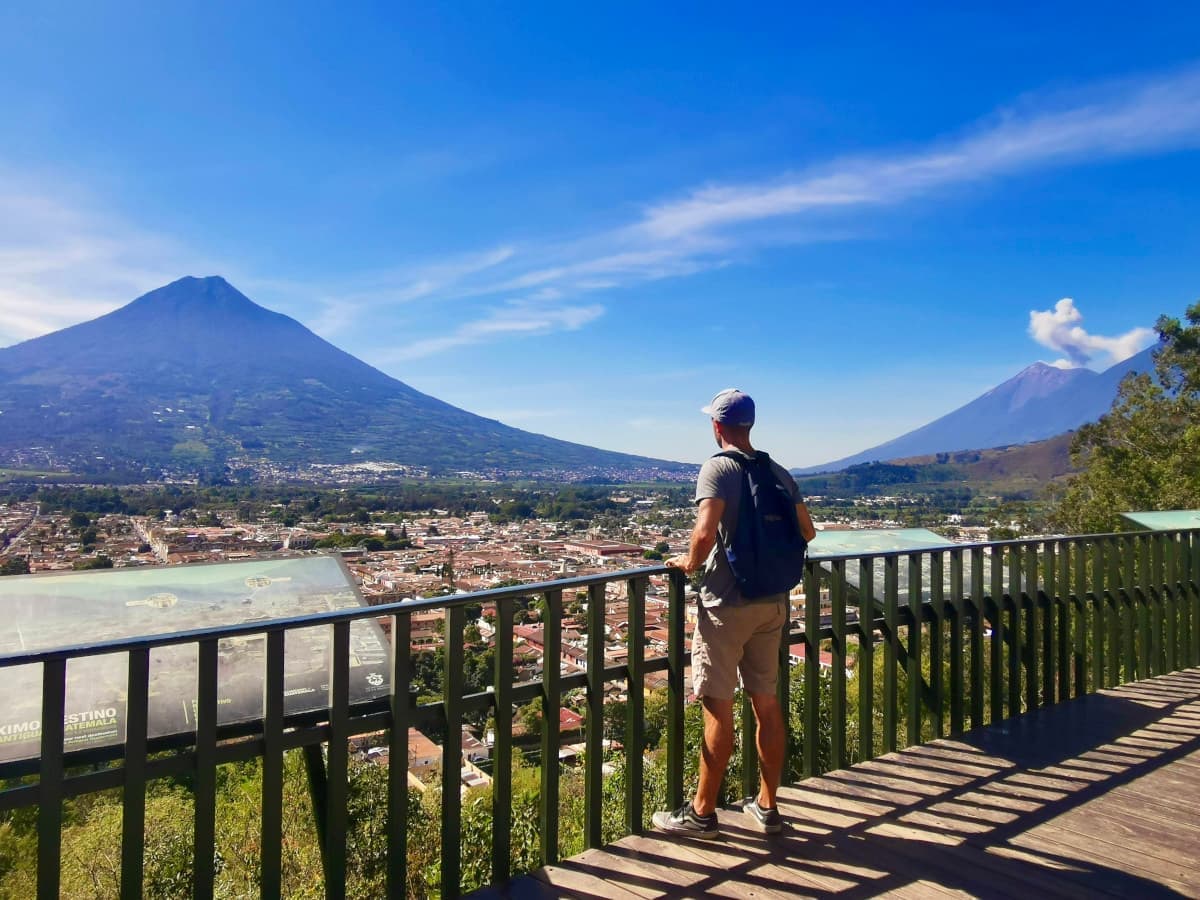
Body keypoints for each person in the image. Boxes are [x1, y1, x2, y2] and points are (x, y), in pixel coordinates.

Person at [652, 388, 816, 838]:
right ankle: (767, 805)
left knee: (717, 710)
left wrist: (688, 563)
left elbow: (705, 532)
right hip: (773, 603)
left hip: (726, 604)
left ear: (717, 426)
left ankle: (702, 813)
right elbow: (808, 531)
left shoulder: (717, 468)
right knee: (766, 704)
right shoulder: (777, 471)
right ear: (751, 425)